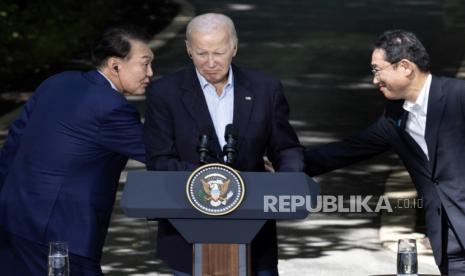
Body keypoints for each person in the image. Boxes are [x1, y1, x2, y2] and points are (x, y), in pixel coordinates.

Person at [144, 13, 303, 276]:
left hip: (254, 233)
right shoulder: (164, 93)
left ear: (234, 47)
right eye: (201, 53)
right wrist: (217, 180)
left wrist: (286, 181)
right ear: (188, 50)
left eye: (218, 52)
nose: (210, 62)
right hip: (188, 234)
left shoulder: (265, 88)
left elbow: (286, 147)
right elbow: (159, 159)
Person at [305, 29, 465, 275]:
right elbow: (347, 150)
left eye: (377, 70)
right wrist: (285, 163)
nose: (375, 80)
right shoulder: (394, 117)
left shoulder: (458, 96)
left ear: (405, 66)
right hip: (449, 247)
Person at [0, 26, 153, 275]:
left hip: (13, 219)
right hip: (61, 235)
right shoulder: (111, 107)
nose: (150, 73)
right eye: (144, 64)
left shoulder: (57, 82)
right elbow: (157, 153)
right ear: (115, 65)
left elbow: (12, 146)